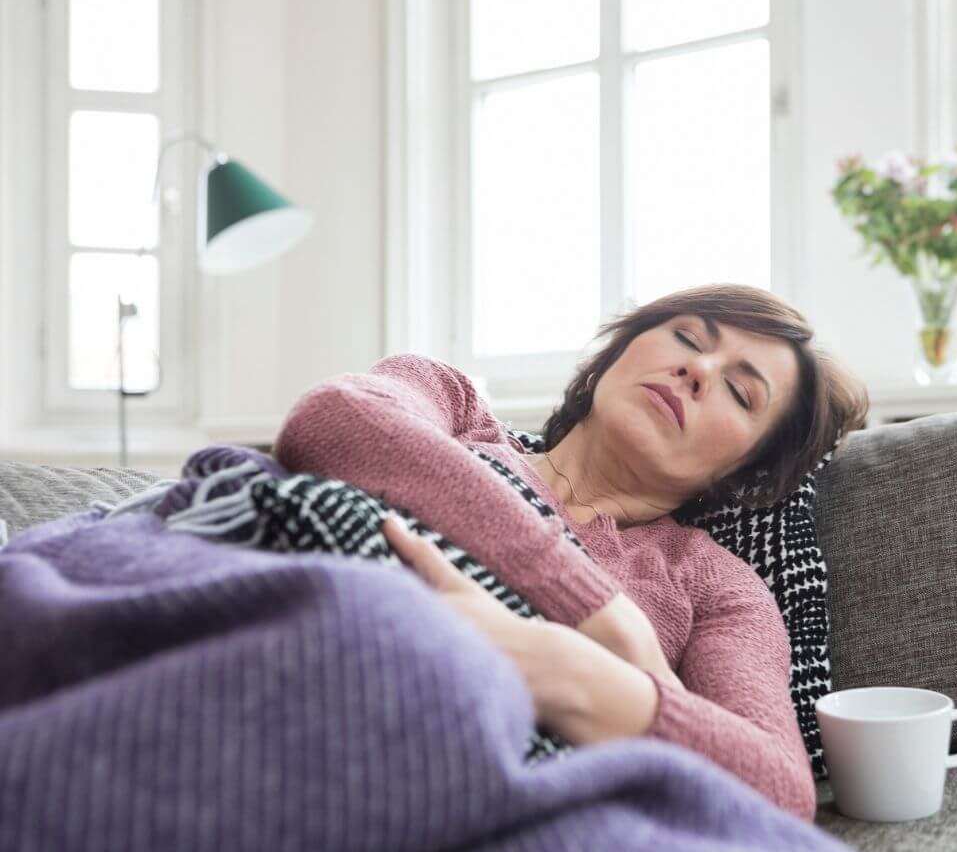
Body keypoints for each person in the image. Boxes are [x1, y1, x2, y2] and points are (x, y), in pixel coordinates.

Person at [273, 282, 869, 823]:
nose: (698, 368)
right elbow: (331, 421)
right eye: (688, 336)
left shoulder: (714, 584)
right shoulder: (455, 409)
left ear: (744, 471)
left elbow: (779, 791)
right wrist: (600, 614)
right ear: (619, 351)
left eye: (740, 392)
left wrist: (560, 669)